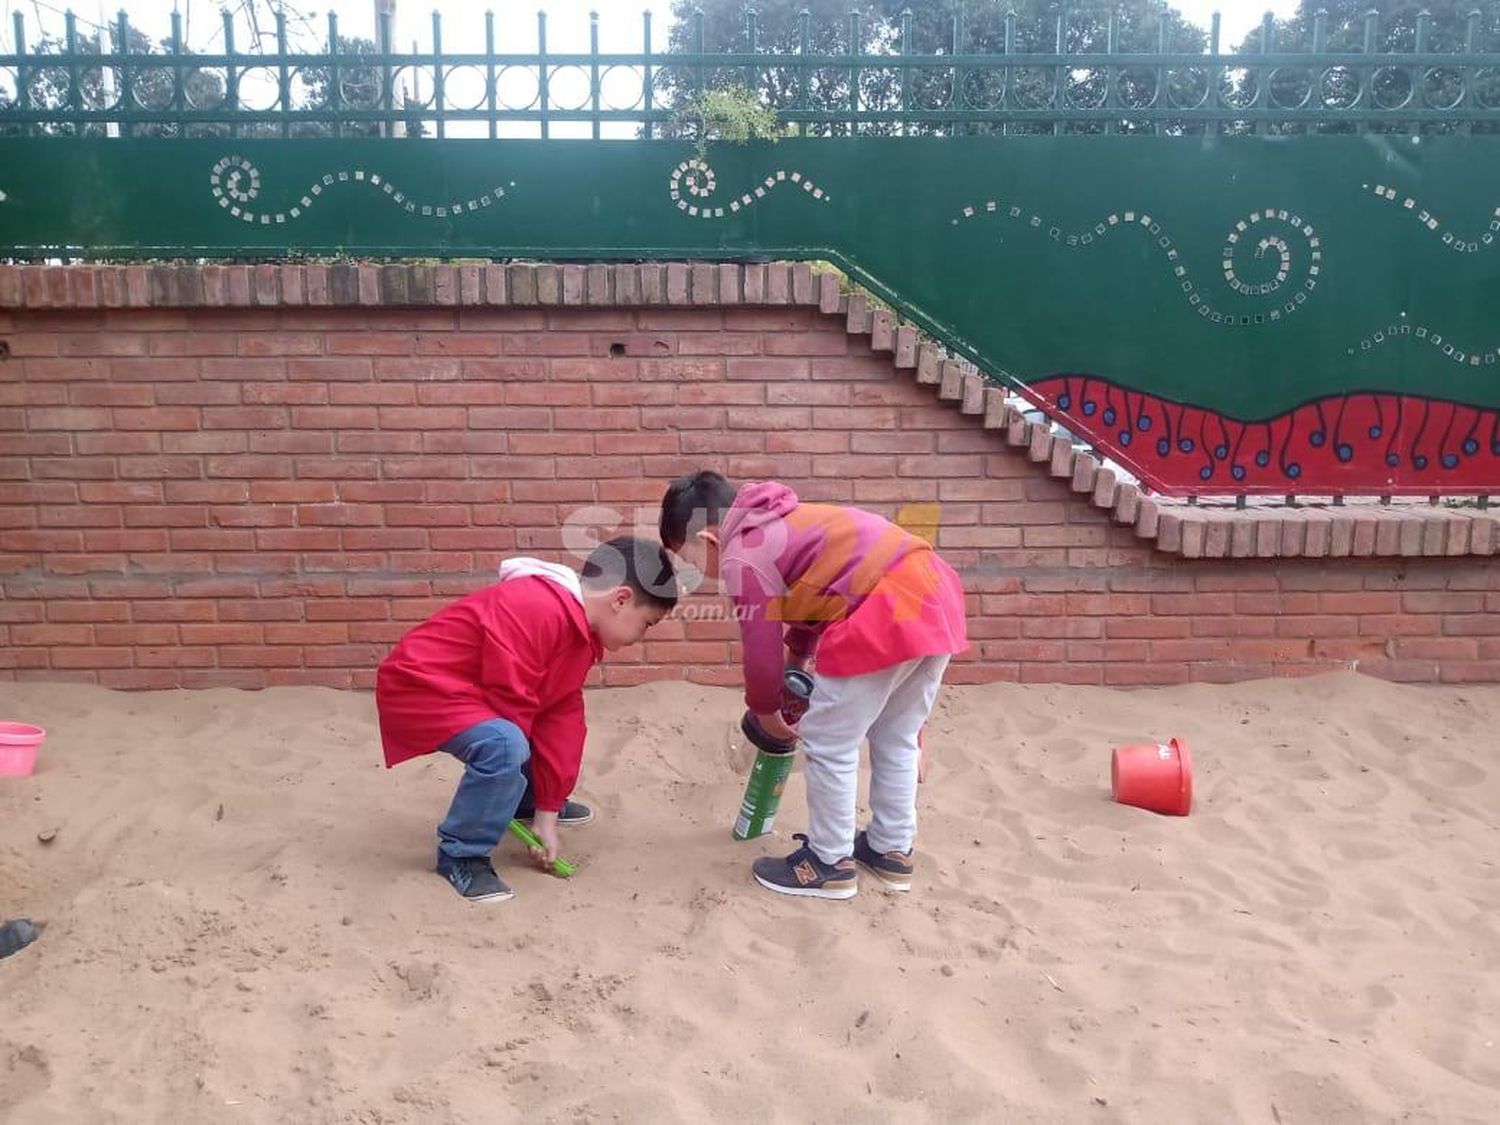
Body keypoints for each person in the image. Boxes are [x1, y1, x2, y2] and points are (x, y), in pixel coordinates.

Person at [660, 471, 967, 900]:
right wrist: (798, 661)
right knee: (895, 734)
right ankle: (890, 849)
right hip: (933, 593)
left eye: (690, 561)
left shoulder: (741, 554)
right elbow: (818, 593)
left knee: (828, 741)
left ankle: (827, 862)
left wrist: (766, 712)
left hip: (885, 607)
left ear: (710, 540)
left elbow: (760, 647)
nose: (698, 572)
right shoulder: (783, 522)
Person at [377, 537, 678, 903]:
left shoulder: (579, 634)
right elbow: (511, 701)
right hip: (421, 686)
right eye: (647, 623)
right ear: (620, 600)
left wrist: (547, 811)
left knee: (537, 728)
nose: (642, 635)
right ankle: (461, 854)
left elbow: (561, 717)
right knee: (506, 743)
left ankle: (523, 802)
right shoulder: (535, 606)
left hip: (472, 690)